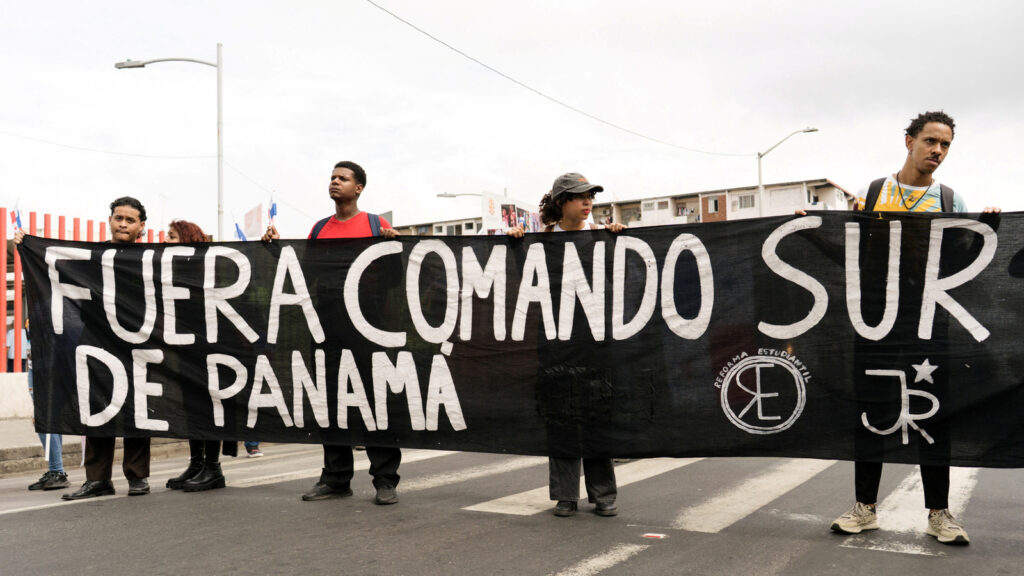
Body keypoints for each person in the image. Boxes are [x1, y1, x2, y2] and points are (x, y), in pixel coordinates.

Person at [827, 111, 1000, 545]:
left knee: (931, 413)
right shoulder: (873, 193)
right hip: (876, 321)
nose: (937, 151)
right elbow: (847, 253)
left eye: (945, 145)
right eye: (930, 142)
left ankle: (938, 513)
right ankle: (865, 507)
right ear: (908, 141)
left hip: (929, 320)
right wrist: (806, 227)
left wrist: (986, 230)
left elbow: (960, 263)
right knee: (872, 411)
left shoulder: (950, 201)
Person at [262, 160, 403, 505]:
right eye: (332, 177)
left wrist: (394, 248)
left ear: (359, 188)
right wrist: (274, 247)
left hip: (368, 326)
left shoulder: (375, 224)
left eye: (343, 178)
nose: (335, 182)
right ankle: (336, 478)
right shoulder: (319, 229)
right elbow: (301, 274)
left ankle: (385, 480)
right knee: (330, 401)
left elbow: (394, 279)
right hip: (326, 326)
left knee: (373, 401)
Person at [16, 196, 154, 500]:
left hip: (136, 347)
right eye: (119, 218)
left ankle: (137, 477)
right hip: (96, 345)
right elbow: (56, 267)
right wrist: (28, 245)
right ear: (110, 220)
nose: (123, 224)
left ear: (141, 226)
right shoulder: (93, 256)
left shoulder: (150, 258)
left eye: (130, 220)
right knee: (96, 411)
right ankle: (98, 479)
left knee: (136, 411)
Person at [510, 172, 627, 517]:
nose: (587, 201)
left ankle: (603, 494)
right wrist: (515, 244)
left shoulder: (602, 238)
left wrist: (619, 241)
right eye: (579, 196)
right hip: (554, 343)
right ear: (562, 203)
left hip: (595, 343)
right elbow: (521, 280)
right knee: (560, 417)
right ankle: (565, 495)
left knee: (597, 417)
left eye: (590, 195)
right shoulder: (539, 240)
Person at [162, 219, 237, 492]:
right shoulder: (168, 269)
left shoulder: (206, 270)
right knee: (191, 406)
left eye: (171, 236)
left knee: (208, 406)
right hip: (185, 347)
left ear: (187, 239)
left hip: (208, 348)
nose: (165, 241)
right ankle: (197, 464)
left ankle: (213, 468)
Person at [25, 320, 70, 491]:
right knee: (48, 421)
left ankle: (57, 472)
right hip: (34, 369)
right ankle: (55, 470)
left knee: (44, 420)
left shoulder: (52, 309)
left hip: (48, 370)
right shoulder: (35, 309)